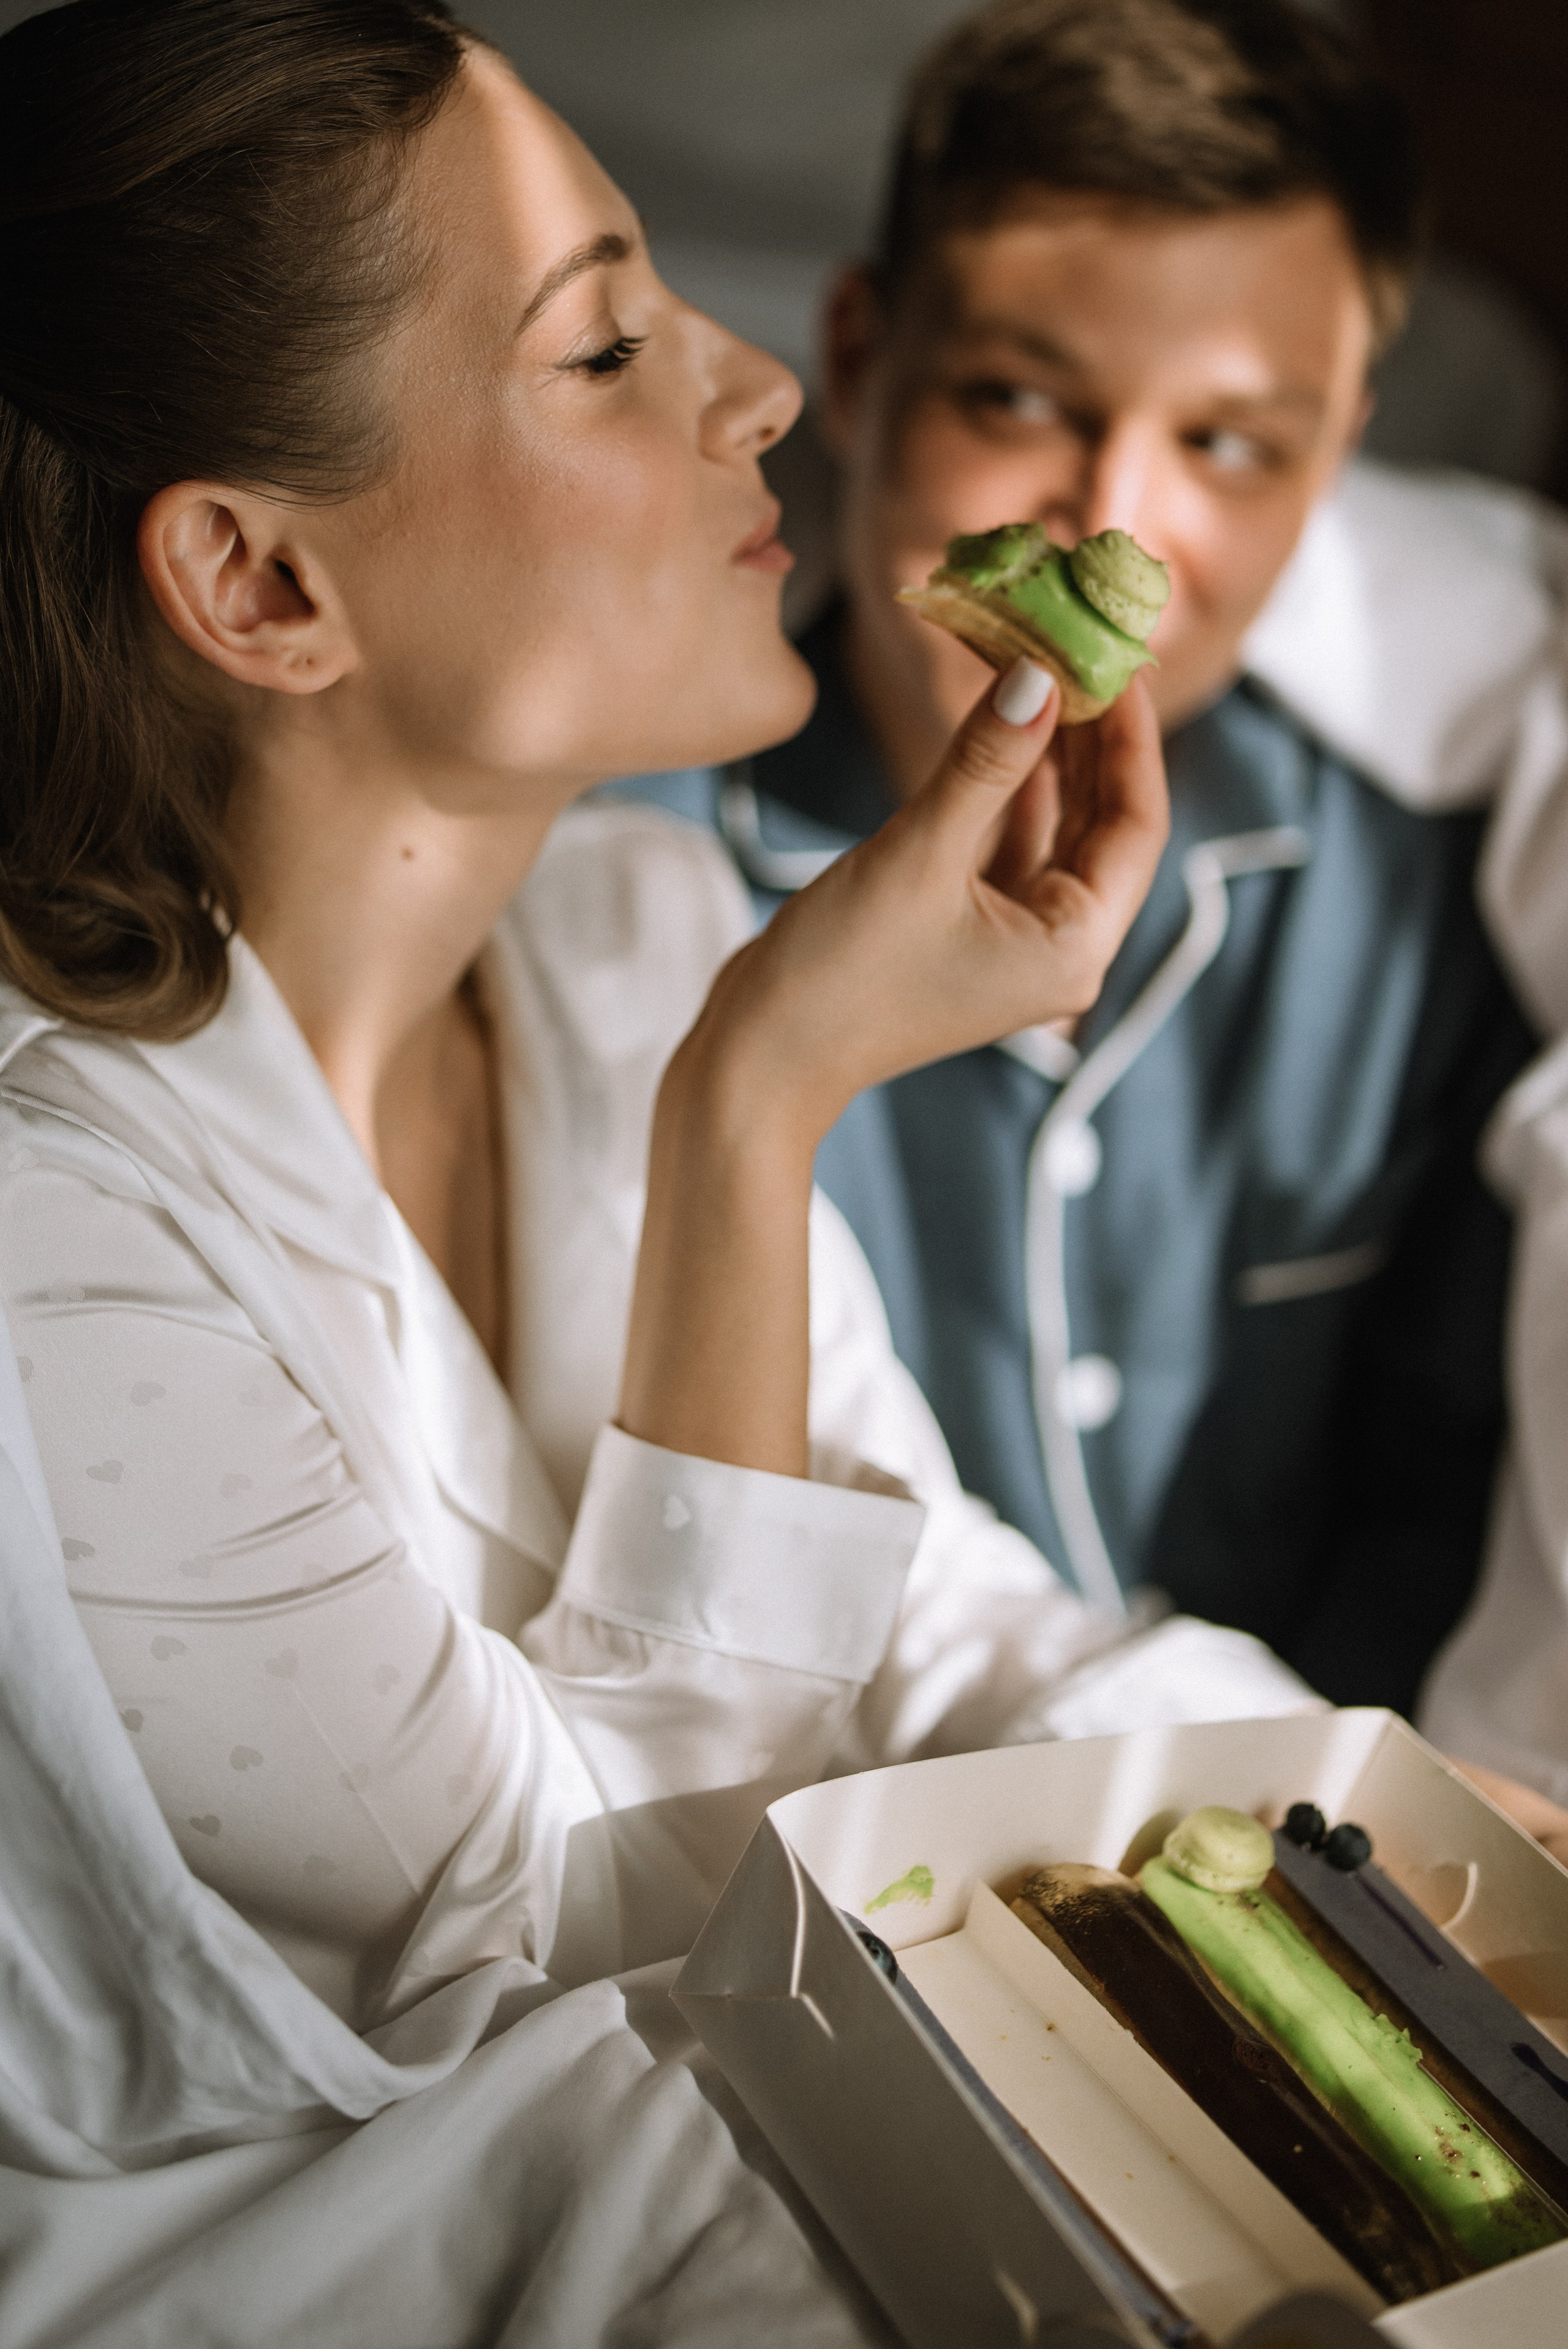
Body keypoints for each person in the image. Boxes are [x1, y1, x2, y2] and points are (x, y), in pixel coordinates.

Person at [0, 2, 1320, 2337]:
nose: (760, 383)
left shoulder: (623, 932)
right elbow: (612, 1912)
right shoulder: (57, 1224)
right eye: (605, 343)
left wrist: (1363, 1805)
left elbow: (926, 1622)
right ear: (260, 584)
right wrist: (762, 1105)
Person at [614, 0, 1542, 1718]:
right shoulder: (632, 886)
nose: (1118, 522)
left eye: (1231, 447)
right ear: (865, 357)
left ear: (1335, 459)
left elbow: (1449, 1487)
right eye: (1022, 397)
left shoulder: (1427, 891)